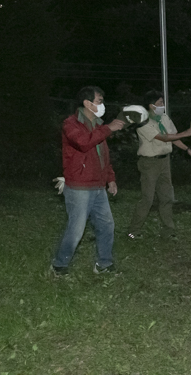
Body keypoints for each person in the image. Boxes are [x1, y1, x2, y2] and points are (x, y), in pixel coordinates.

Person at [51, 86, 125, 276]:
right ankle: (59, 266)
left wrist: (111, 178)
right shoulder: (71, 124)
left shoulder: (99, 126)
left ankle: (104, 264)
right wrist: (109, 128)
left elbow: (103, 155)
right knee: (76, 230)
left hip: (98, 186)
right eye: (99, 101)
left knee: (106, 225)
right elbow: (84, 143)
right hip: (79, 186)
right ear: (87, 103)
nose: (103, 105)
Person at [127, 90, 191, 240]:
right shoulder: (143, 122)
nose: (163, 105)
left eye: (163, 102)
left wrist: (188, 149)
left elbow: (173, 137)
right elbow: (164, 138)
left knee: (166, 197)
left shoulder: (164, 117)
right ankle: (133, 230)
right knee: (148, 198)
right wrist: (186, 133)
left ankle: (169, 231)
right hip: (149, 163)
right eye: (160, 103)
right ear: (151, 105)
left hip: (164, 161)